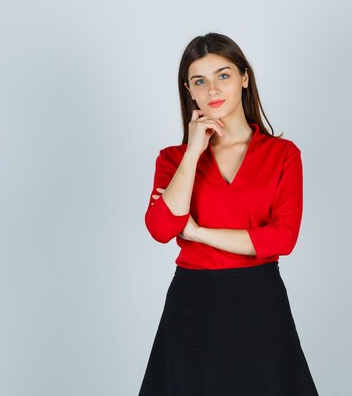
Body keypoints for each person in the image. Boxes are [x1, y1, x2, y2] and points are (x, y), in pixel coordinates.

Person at [137, 32, 320, 396]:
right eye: (199, 81)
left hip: (259, 301)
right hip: (192, 302)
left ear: (244, 78)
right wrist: (192, 151)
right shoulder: (173, 159)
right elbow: (161, 228)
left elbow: (281, 239)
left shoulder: (282, 154)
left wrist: (198, 232)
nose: (212, 90)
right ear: (188, 90)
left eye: (223, 75)